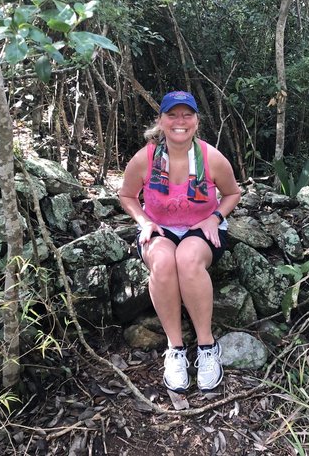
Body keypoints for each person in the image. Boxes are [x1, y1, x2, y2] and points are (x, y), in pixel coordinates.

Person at [119, 90, 241, 393]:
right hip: (159, 227)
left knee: (187, 259)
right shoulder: (145, 157)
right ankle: (175, 349)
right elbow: (126, 195)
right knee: (162, 262)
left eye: (187, 114)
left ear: (197, 121)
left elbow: (233, 193)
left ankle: (206, 347)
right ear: (161, 120)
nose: (179, 121)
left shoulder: (211, 157)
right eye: (172, 114)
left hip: (201, 227)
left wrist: (214, 217)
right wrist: (145, 221)